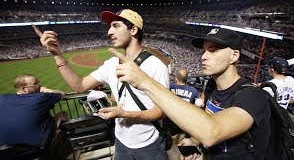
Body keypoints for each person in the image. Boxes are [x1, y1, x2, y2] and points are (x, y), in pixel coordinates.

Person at [107, 28, 271, 159]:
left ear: (234, 56)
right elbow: (209, 126)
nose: (204, 56)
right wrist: (195, 141)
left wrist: (144, 82)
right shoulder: (211, 87)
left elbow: (213, 132)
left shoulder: (253, 95)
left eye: (213, 50)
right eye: (204, 51)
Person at [37, 9, 169, 159]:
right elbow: (78, 86)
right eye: (110, 26)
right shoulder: (111, 64)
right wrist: (57, 55)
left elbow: (161, 112)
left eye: (116, 26)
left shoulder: (156, 66)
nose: (109, 32)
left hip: (149, 144)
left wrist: (124, 114)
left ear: (133, 30)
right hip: (121, 141)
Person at [0, 74, 68, 151]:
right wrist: (46, 90)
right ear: (23, 89)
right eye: (35, 84)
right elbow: (62, 93)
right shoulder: (40, 97)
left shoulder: (3, 98)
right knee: (63, 114)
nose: (39, 86)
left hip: (4, 152)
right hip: (35, 150)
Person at [163, 69, 199, 144]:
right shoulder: (193, 90)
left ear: (176, 78)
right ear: (187, 79)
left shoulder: (169, 87)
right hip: (184, 122)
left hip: (169, 120)